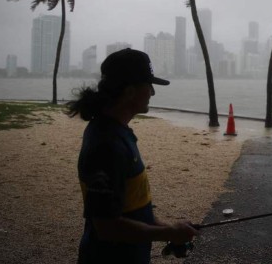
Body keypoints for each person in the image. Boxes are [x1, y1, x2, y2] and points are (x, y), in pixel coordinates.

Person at [66, 48, 197, 263]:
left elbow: (133, 208)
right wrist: (168, 234)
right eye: (149, 85)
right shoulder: (106, 145)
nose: (153, 93)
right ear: (129, 91)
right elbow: (107, 226)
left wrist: (170, 228)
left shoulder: (116, 132)